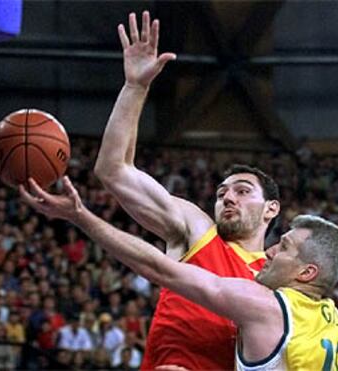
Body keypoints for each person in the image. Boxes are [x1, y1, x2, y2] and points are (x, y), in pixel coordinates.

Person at [93, 11, 280, 369]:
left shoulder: (278, 275)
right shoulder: (196, 229)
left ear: (271, 208)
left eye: (242, 191)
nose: (227, 197)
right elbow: (113, 170)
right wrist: (135, 87)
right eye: (223, 191)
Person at [19, 177, 338, 370]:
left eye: (284, 248)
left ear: (306, 272)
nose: (272, 250)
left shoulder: (266, 305)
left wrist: (81, 216)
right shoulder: (336, 325)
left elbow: (158, 268)